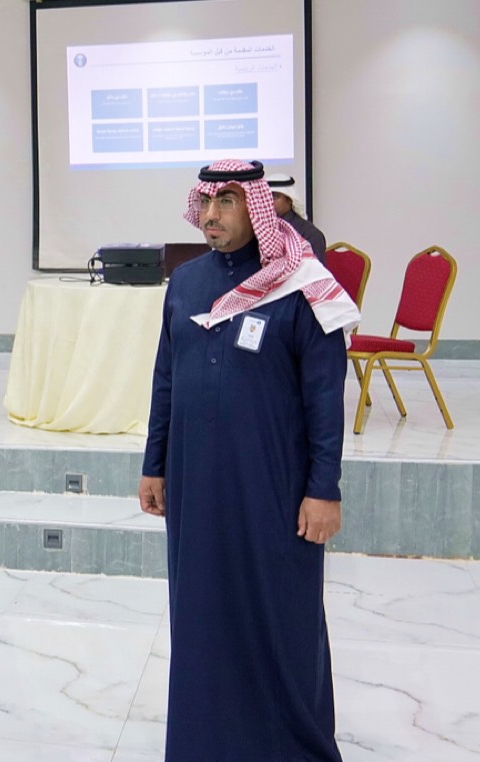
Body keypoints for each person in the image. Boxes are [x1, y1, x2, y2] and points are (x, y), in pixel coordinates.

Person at [138, 159, 359, 761]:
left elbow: (324, 396)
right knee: (201, 614)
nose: (211, 215)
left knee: (281, 616)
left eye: (228, 202)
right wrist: (154, 464)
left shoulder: (301, 283)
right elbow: (166, 379)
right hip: (196, 482)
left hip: (273, 485)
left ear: (257, 207)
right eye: (207, 202)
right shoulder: (186, 283)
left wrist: (324, 488)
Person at [267, 173, 328, 262]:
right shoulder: (261, 232)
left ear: (289, 200)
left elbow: (314, 270)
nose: (268, 201)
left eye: (274, 197)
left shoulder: (310, 234)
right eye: (265, 196)